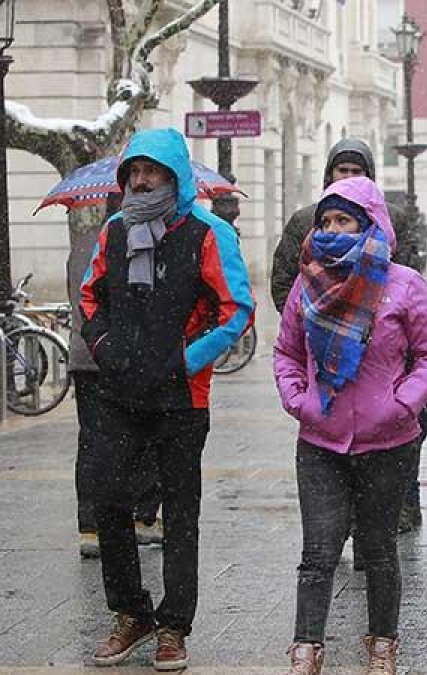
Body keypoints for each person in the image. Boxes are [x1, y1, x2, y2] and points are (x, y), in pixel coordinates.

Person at [79, 128, 255, 670]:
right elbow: (90, 296)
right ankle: (131, 613)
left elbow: (237, 309)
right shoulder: (113, 230)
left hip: (181, 397)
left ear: (175, 176)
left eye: (152, 171)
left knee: (180, 515)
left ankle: (174, 626)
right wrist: (104, 344)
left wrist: (186, 359)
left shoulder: (208, 232)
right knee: (108, 500)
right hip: (117, 393)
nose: (141, 180)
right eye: (134, 171)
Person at [274, 176, 427, 675]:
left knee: (378, 551)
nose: (331, 230)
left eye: (343, 220)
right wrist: (298, 400)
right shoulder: (308, 284)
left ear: (370, 224)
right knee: (318, 553)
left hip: (388, 441)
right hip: (320, 439)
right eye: (325, 221)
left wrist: (405, 403)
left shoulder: (404, 284)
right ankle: (306, 650)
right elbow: (287, 352)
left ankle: (382, 645)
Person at [70, 193, 163, 559]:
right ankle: (140, 519)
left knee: (91, 442)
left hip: (84, 356)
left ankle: (89, 526)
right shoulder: (131, 240)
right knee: (138, 440)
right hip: (115, 357)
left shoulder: (81, 244)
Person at [271, 138, 426, 313]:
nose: (349, 177)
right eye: (342, 170)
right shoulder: (305, 220)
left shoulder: (392, 219)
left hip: (378, 323)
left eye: (356, 171)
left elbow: (406, 276)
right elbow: (283, 280)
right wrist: (302, 320)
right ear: (330, 174)